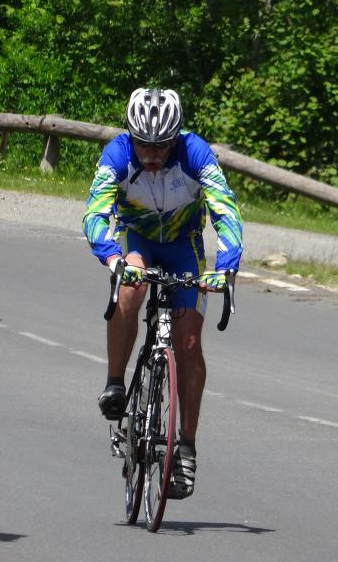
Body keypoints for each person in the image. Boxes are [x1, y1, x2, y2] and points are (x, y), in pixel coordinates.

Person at [83, 86, 242, 499]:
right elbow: (95, 212)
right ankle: (116, 382)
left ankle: (186, 446)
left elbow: (225, 210)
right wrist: (110, 257)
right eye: (144, 144)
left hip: (184, 246)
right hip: (138, 240)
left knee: (189, 342)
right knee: (132, 284)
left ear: (177, 137)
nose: (152, 154)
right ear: (130, 135)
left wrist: (226, 268)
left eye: (162, 145)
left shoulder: (196, 153)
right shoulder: (117, 155)